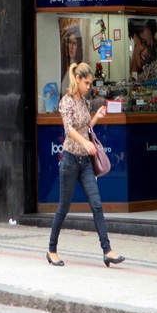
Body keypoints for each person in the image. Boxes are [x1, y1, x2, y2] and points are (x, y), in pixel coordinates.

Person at [46, 63, 125, 268]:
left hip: (85, 162)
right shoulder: (66, 102)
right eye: (87, 82)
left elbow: (84, 128)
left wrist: (96, 117)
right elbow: (69, 130)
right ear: (78, 80)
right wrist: (86, 143)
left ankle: (107, 250)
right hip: (71, 159)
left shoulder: (83, 102)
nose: (89, 86)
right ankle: (51, 249)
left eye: (90, 83)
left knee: (97, 204)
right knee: (64, 206)